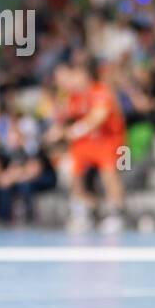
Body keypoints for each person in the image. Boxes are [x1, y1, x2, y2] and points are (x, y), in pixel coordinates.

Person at [48, 56, 127, 234]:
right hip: (85, 144)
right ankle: (82, 210)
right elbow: (62, 121)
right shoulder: (71, 97)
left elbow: (98, 117)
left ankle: (116, 212)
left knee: (109, 171)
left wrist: (74, 131)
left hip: (111, 141)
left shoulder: (100, 91)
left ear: (84, 75)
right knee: (72, 169)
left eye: (75, 75)